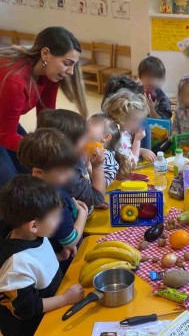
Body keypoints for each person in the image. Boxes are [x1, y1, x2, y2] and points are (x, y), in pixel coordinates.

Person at [0, 175, 84, 336]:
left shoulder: (33, 235)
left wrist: (58, 257)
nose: (59, 221)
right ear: (33, 226)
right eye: (55, 217)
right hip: (29, 328)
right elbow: (27, 308)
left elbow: (37, 261)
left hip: (48, 312)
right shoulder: (16, 265)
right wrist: (65, 299)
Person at [0, 26, 87, 187]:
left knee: (30, 168)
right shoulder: (15, 81)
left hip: (3, 122)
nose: (71, 72)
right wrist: (48, 151)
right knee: (10, 182)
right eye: (67, 63)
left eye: (74, 65)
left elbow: (47, 120)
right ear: (45, 54)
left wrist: (60, 147)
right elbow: (5, 135)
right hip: (3, 130)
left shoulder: (49, 75)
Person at [17, 128, 88, 260]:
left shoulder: (46, 185)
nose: (70, 174)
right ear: (38, 173)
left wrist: (71, 205)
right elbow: (70, 242)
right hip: (65, 257)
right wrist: (82, 214)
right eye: (63, 171)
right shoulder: (54, 201)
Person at [37, 109, 105, 210]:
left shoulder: (73, 159)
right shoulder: (67, 172)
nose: (88, 141)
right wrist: (97, 167)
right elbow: (97, 198)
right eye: (84, 138)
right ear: (68, 144)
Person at [102, 89, 155, 166]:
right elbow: (131, 164)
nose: (139, 124)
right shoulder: (119, 137)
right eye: (136, 120)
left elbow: (125, 151)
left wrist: (142, 151)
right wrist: (137, 140)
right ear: (122, 119)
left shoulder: (118, 130)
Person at [87, 113, 131, 186]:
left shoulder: (106, 156)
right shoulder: (79, 148)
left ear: (105, 137)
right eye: (87, 122)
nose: (86, 125)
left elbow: (104, 184)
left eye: (94, 124)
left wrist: (89, 167)